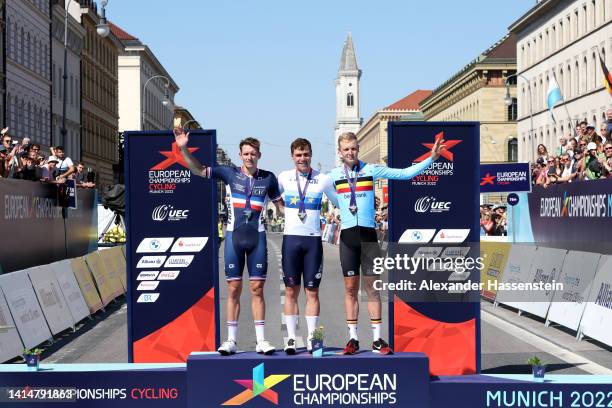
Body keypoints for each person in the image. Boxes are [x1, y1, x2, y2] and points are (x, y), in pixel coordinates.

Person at [329, 131, 445, 355]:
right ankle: (352, 339)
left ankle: (376, 339)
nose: (350, 152)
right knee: (350, 289)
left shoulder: (370, 170)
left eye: (353, 148)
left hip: (368, 236)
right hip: (348, 238)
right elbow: (321, 192)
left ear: (358, 149)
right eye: (346, 149)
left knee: (373, 289)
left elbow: (404, 174)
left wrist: (430, 159)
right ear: (340, 152)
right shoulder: (333, 175)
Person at [175, 128, 284, 356]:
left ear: (259, 155)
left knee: (257, 288)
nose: (249, 157)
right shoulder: (229, 173)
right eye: (246, 154)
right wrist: (183, 147)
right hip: (234, 237)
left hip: (258, 238)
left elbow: (283, 207)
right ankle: (231, 340)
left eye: (253, 153)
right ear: (240, 155)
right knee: (233, 289)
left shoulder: (269, 178)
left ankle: (261, 341)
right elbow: (197, 170)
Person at [277, 138, 338, 355]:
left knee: (312, 291)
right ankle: (292, 339)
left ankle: (313, 339)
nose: (302, 158)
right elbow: (271, 195)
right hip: (291, 239)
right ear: (292, 156)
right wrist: (281, 208)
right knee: (291, 291)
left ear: (311, 155)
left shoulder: (323, 179)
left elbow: (339, 202)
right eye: (298, 155)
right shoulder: (284, 177)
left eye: (306, 155)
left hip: (312, 241)